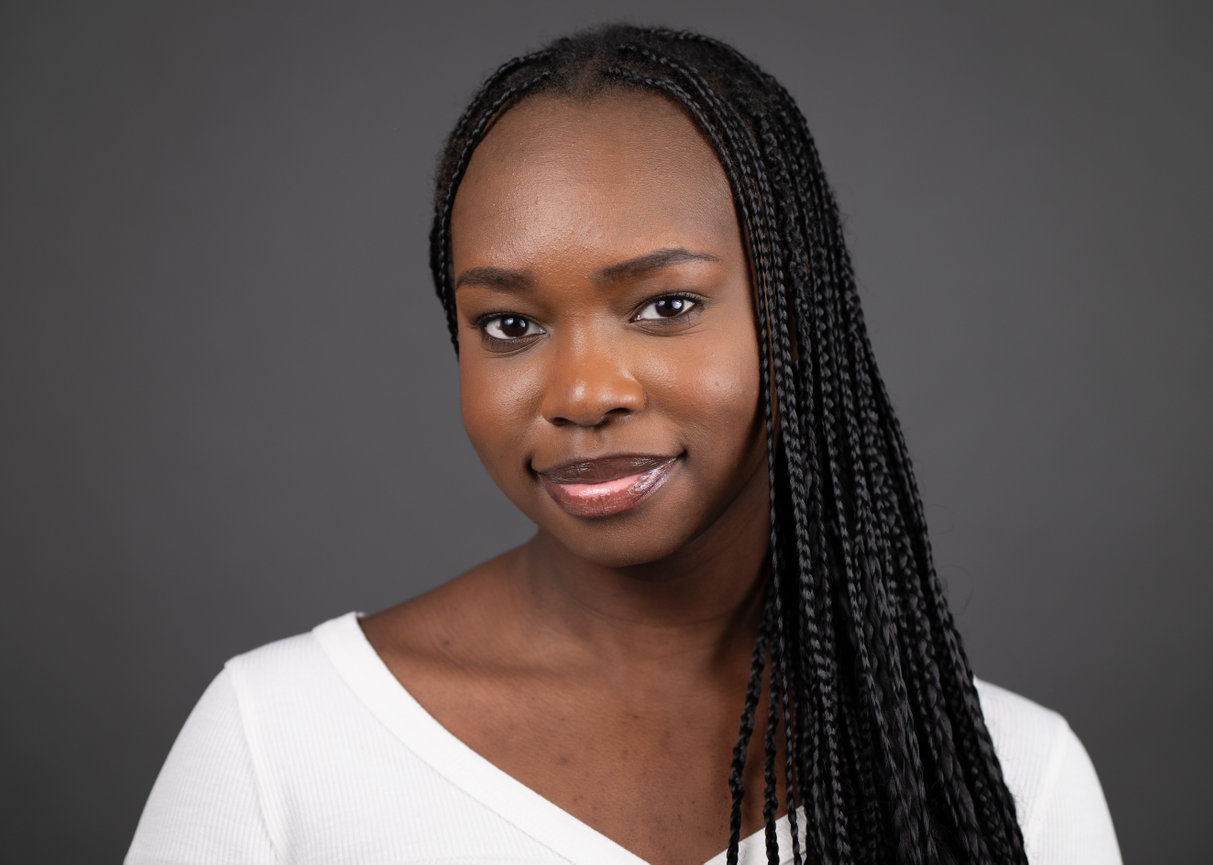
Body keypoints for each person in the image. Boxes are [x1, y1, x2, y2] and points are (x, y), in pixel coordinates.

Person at [125, 24, 1122, 865]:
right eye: (509, 325)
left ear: (797, 315)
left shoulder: (1004, 777)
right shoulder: (283, 737)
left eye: (664, 304)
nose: (583, 393)